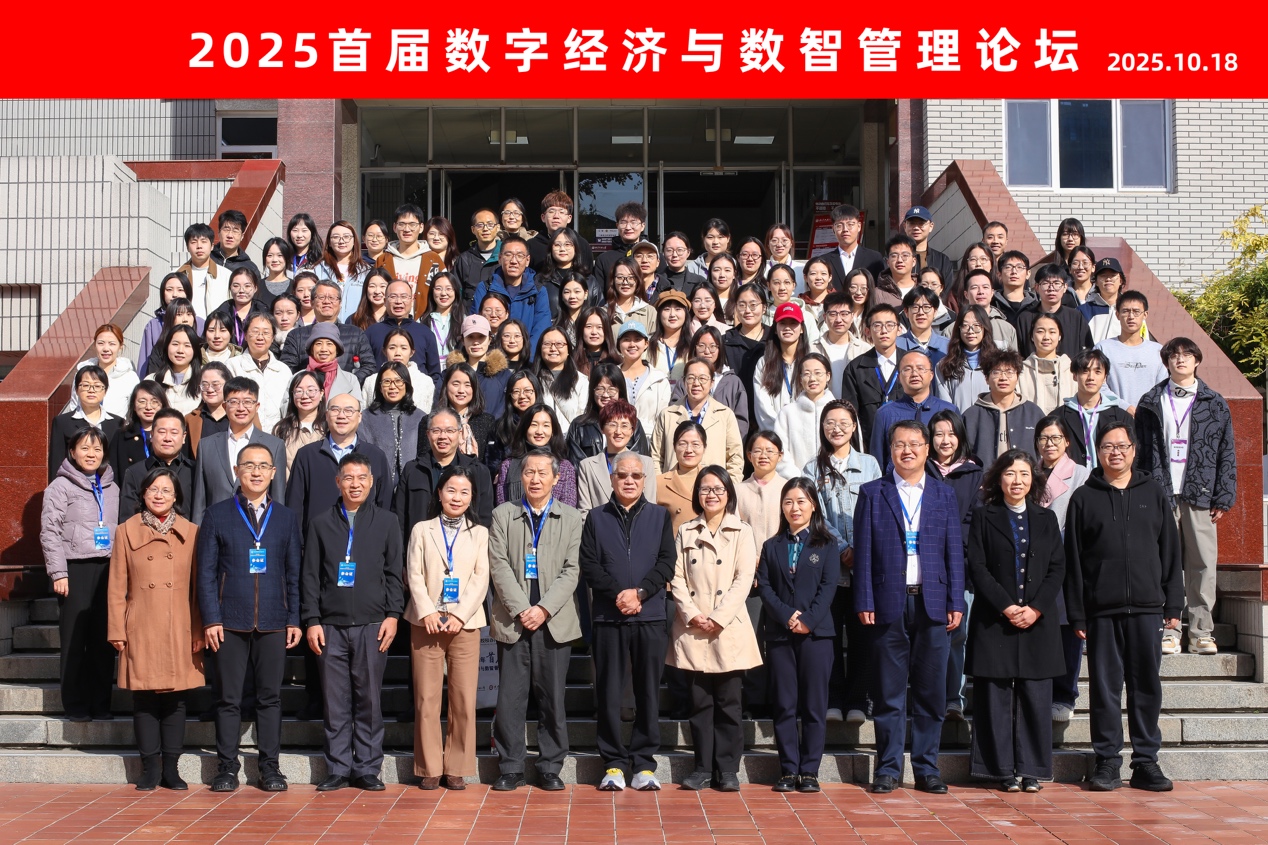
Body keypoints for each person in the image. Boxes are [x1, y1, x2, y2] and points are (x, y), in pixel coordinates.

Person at [1064, 422, 1183, 792]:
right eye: (1107, 446)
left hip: (1147, 608)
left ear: (1134, 450)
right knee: (1105, 689)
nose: (1115, 452)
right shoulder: (1084, 498)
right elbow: (1074, 561)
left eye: (1122, 446)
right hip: (1102, 610)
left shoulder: (1154, 492)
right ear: (1097, 452)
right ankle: (1107, 762)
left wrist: (1174, 603)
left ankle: (1146, 761)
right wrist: (1077, 612)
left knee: (1146, 686)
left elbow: (1171, 550)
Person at [854, 420, 966, 794]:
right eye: (900, 444)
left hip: (933, 602)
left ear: (927, 449)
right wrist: (864, 598)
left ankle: (926, 768)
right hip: (889, 601)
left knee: (931, 692)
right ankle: (887, 769)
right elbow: (863, 551)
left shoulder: (943, 494)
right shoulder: (873, 493)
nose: (907, 450)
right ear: (891, 450)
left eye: (915, 444)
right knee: (888, 693)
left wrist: (956, 599)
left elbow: (954, 551)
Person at [196, 443, 302, 793]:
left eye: (263, 466)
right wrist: (211, 618)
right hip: (228, 621)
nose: (256, 472)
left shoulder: (286, 517)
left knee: (270, 698)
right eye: (249, 465)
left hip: (274, 619)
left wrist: (294, 618)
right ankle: (227, 767)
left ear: (274, 473)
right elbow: (206, 573)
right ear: (236, 471)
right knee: (228, 698)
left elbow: (293, 573)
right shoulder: (217, 515)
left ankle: (270, 768)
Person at [965, 450, 1066, 792]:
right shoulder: (984, 516)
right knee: (994, 698)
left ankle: (1031, 770)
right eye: (1010, 474)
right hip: (995, 620)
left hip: (1038, 621)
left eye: (1024, 474)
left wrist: (1036, 608)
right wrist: (1006, 606)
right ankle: (999, 770)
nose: (1017, 481)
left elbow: (1057, 568)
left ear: (1033, 479)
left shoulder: (1046, 519)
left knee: (1036, 698)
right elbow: (977, 566)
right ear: (999, 479)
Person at [303, 453, 404, 792]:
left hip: (373, 624)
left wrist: (393, 615)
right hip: (330, 626)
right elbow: (310, 577)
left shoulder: (387, 522)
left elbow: (394, 574)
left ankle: (367, 767)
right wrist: (312, 620)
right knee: (335, 701)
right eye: (348, 477)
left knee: (369, 700)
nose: (355, 484)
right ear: (338, 482)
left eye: (362, 477)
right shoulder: (320, 523)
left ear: (372, 481)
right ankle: (338, 767)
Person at [488, 450, 584, 792]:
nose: (536, 479)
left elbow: (572, 570)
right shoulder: (503, 514)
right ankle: (511, 766)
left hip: (554, 621)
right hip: (513, 621)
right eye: (529, 472)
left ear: (556, 478)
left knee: (552, 698)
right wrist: (521, 608)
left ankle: (550, 766)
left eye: (543, 473)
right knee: (510, 699)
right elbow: (498, 565)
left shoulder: (571, 518)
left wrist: (543, 609)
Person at [1135, 337, 1237, 656]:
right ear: (1166, 362)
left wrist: (1223, 496)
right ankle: (1169, 629)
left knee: (1202, 563)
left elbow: (1226, 451)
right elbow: (1140, 452)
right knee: (1164, 562)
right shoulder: (1151, 401)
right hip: (1161, 493)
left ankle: (1201, 632)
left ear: (1197, 360)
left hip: (1200, 492)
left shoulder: (1214, 402)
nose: (1180, 359)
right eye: (1174, 355)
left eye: (1187, 354)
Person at [580, 451, 676, 791]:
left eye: (636, 475)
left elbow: (667, 562)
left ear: (645, 480)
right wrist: (619, 594)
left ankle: (644, 765)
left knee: (648, 691)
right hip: (609, 617)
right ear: (612, 479)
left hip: (650, 616)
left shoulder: (660, 516)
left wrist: (641, 593)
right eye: (622, 475)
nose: (629, 481)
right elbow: (589, 565)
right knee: (608, 692)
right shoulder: (596, 518)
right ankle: (613, 763)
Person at [107, 467, 203, 791]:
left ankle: (171, 769)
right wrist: (117, 629)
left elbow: (198, 589)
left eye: (166, 490)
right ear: (143, 494)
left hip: (179, 624)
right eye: (153, 489)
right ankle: (149, 768)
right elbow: (116, 586)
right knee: (144, 698)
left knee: (176, 700)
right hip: (142, 623)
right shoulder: (126, 531)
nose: (159, 495)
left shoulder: (191, 532)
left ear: (176, 496)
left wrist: (198, 630)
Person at [670, 466, 760, 792]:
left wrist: (718, 617)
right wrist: (693, 614)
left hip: (728, 627)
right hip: (693, 628)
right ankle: (702, 768)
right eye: (705, 489)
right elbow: (677, 578)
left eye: (718, 489)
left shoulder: (742, 531)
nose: (711, 495)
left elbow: (743, 579)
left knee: (729, 703)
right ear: (697, 494)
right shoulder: (686, 531)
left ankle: (728, 769)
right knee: (700, 704)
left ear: (728, 493)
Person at [405, 465, 490, 790]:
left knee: (463, 698)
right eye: (451, 490)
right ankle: (429, 767)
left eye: (464, 492)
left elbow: (481, 578)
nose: (457, 497)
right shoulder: (422, 529)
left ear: (472, 497)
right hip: (425, 622)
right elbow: (413, 573)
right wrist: (427, 610)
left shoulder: (479, 533)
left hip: (465, 624)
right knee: (427, 698)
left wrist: (460, 615)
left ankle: (456, 766)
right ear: (439, 493)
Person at [757, 477, 841, 793]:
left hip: (816, 636)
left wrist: (807, 620)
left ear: (813, 505)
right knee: (784, 704)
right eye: (788, 501)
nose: (795, 508)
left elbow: (828, 587)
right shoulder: (772, 546)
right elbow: (765, 587)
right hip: (780, 635)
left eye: (801, 501)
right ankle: (788, 769)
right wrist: (786, 615)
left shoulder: (826, 544)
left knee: (814, 706)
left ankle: (809, 771)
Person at [802, 402, 881, 725]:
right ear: (822, 428)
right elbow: (814, 514)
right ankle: (833, 699)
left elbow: (877, 508)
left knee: (863, 635)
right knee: (830, 635)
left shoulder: (870, 464)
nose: (836, 428)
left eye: (843, 422)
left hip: (864, 566)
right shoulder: (812, 468)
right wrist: (843, 547)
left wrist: (860, 549)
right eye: (830, 423)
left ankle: (859, 700)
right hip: (829, 566)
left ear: (854, 426)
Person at [41, 427, 119, 722]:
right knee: (75, 640)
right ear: (72, 452)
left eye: (97, 449)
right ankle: (75, 704)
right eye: (84, 448)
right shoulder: (59, 487)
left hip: (107, 568)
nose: (91, 454)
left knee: (102, 640)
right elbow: (49, 531)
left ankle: (101, 703)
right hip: (74, 568)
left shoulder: (112, 486)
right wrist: (58, 572)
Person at [926, 409, 984, 721]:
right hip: (925, 566)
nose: (945, 440)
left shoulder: (974, 474)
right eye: (938, 434)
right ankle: (929, 697)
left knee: (958, 634)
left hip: (961, 568)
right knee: (929, 635)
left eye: (951, 433)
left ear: (960, 436)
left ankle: (953, 699)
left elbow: (974, 522)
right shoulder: (921, 470)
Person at [1034, 416, 1090, 723]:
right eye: (1044, 438)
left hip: (1067, 561)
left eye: (1056, 438)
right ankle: (1041, 692)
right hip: (1034, 564)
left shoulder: (1081, 474)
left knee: (1068, 630)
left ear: (1067, 441)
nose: (1049, 444)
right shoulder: (1030, 471)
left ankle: (1065, 694)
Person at [288, 394, 393, 541]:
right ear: (326, 415)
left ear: (359, 417)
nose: (341, 416)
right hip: (317, 543)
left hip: (364, 542)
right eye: (335, 410)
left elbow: (385, 503)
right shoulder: (307, 455)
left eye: (349, 410)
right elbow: (295, 504)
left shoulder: (375, 455)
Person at [190, 377, 288, 524]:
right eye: (234, 402)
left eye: (248, 402)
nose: (241, 408)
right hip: (216, 528)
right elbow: (199, 500)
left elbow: (278, 498)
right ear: (224, 406)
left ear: (257, 406)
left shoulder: (274, 445)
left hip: (258, 529)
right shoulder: (206, 445)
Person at [396, 409, 496, 539]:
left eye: (450, 431)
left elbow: (485, 519)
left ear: (459, 433)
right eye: (436, 431)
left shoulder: (477, 471)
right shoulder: (413, 470)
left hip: (464, 547)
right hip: (420, 546)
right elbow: (399, 518)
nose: (443, 436)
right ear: (428, 434)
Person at [652, 358, 743, 482]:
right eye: (691, 378)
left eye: (702, 378)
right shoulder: (667, 415)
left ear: (712, 383)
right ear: (684, 381)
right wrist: (659, 485)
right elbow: (656, 457)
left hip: (712, 489)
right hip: (673, 486)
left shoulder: (725, 415)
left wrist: (729, 487)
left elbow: (735, 457)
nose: (696, 383)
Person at [868, 350, 958, 463]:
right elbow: (877, 461)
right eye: (907, 369)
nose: (914, 374)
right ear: (899, 377)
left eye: (921, 368)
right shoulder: (885, 413)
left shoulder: (949, 410)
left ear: (931, 375)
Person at [280, 280, 376, 382]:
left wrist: (347, 383)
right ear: (312, 302)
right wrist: (310, 384)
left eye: (332, 298)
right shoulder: (296, 335)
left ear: (340, 303)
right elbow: (287, 369)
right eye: (321, 297)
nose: (326, 301)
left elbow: (369, 366)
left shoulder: (355, 334)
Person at [575, 400, 658, 517]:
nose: (618, 432)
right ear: (602, 428)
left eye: (624, 426)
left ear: (632, 431)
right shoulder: (587, 466)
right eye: (612, 425)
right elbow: (584, 512)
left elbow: (650, 508)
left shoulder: (646, 463)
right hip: (599, 528)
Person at [963, 350, 1045, 467]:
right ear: (986, 378)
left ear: (1017, 377)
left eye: (1009, 372)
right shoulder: (971, 415)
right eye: (996, 372)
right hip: (984, 478)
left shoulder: (1033, 413)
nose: (1003, 378)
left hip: (1025, 477)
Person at [472, 235, 553, 353]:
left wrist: (526, 358)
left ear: (527, 260)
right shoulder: (485, 288)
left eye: (520, 256)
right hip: (492, 357)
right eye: (508, 255)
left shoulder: (538, 291)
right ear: (500, 258)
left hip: (527, 359)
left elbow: (541, 328)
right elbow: (477, 326)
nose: (514, 261)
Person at [840, 304, 905, 448]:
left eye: (890, 325)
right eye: (877, 325)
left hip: (907, 446)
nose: (884, 331)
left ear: (899, 329)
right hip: (870, 446)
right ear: (867, 331)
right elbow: (850, 415)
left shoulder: (911, 364)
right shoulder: (855, 369)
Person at [668, 326, 751, 439]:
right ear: (694, 348)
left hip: (721, 444)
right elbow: (674, 413)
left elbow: (741, 422)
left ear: (720, 349)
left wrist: (731, 444)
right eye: (701, 346)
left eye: (713, 346)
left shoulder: (733, 382)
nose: (707, 351)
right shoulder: (685, 381)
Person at [1057, 349, 1132, 469]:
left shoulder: (1121, 417)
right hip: (1071, 479)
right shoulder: (1058, 417)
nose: (1091, 377)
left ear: (1105, 377)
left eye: (1097, 372)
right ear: (1075, 376)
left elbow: (1132, 456)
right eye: (1085, 371)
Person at [360, 361, 427, 493]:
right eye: (387, 382)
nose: (392, 386)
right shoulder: (366, 418)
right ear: (380, 387)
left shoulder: (420, 417)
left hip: (413, 488)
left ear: (406, 385)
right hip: (376, 488)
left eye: (398, 381)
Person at [565, 362, 651, 464]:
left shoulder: (633, 423)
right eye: (600, 389)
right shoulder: (579, 425)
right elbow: (575, 463)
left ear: (620, 391)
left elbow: (640, 459)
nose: (605, 395)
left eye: (611, 390)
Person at [1095, 291, 1168, 412]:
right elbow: (1098, 385)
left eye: (1136, 311)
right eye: (1125, 311)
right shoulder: (1103, 348)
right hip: (1113, 415)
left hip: (1149, 416)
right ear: (1117, 314)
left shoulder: (1158, 351)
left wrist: (1144, 410)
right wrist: (1124, 406)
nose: (1131, 317)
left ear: (1145, 315)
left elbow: (1162, 387)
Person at [494, 404, 578, 507]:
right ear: (525, 429)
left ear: (553, 431)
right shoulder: (508, 465)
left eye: (546, 425)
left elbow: (568, 508)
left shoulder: (565, 467)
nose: (539, 431)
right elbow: (502, 508)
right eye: (534, 425)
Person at [49, 365, 123, 482]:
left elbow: (120, 463)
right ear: (76, 390)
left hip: (109, 487)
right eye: (85, 385)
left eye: (97, 386)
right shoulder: (62, 422)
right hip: (73, 486)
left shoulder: (118, 423)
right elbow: (56, 463)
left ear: (105, 391)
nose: (91, 390)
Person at [119, 408, 194, 521]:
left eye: (174, 433)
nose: (167, 438)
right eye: (162, 432)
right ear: (152, 435)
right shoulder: (135, 472)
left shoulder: (195, 471)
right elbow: (128, 518)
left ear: (183, 437)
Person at [365, 280, 442, 383]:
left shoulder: (425, 333)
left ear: (412, 300)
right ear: (385, 301)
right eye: (393, 296)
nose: (398, 301)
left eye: (404, 296)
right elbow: (365, 369)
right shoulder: (371, 332)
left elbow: (435, 375)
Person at [773, 352, 836, 478]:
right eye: (807, 374)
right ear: (800, 379)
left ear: (828, 376)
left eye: (818, 373)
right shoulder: (787, 413)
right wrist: (798, 480)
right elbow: (780, 451)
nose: (812, 378)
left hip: (835, 481)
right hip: (797, 484)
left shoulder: (840, 411)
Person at [227, 312, 291, 435]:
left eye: (266, 333)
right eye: (255, 332)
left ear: (273, 337)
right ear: (245, 335)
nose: (260, 337)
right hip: (242, 435)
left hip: (277, 437)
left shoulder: (283, 370)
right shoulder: (232, 366)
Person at [752, 303, 810, 432]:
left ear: (802, 329)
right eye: (783, 323)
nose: (788, 328)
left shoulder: (811, 362)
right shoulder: (764, 363)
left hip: (805, 433)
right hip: (774, 436)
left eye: (793, 323)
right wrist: (780, 431)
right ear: (775, 329)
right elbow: (762, 406)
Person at [1016, 265, 1094, 359]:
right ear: (1036, 287)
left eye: (1057, 283)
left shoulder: (1075, 317)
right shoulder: (1025, 318)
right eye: (1045, 283)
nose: (1051, 288)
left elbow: (1087, 351)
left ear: (1065, 287)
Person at [375, 203, 444, 306]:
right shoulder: (382, 260)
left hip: (424, 316)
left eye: (412, 224)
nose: (407, 229)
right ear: (394, 227)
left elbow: (444, 290)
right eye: (402, 224)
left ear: (421, 227)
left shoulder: (433, 260)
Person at [137, 273, 205, 376]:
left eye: (180, 290)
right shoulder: (153, 325)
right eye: (169, 290)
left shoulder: (199, 323)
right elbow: (145, 361)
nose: (175, 294)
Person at [447, 314, 512, 420]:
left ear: (490, 339)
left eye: (481, 336)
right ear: (463, 340)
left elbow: (505, 409)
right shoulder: (449, 374)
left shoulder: (504, 375)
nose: (476, 342)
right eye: (470, 337)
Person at [613, 321, 670, 437]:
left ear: (646, 344)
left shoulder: (659, 379)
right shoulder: (611, 376)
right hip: (616, 437)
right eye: (626, 340)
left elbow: (663, 418)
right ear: (619, 344)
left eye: (637, 339)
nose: (632, 344)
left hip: (649, 439)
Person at [313, 221, 373, 322]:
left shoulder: (366, 271)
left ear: (354, 241)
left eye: (346, 236)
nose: (341, 241)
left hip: (357, 326)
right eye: (336, 237)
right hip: (326, 326)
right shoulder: (317, 269)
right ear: (329, 242)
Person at [109, 382, 169, 481]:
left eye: (154, 402)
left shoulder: (171, 436)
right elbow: (113, 473)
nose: (148, 407)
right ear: (134, 406)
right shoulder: (121, 436)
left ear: (162, 405)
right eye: (142, 401)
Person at [813, 292, 871, 394]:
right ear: (825, 317)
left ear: (852, 316)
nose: (838, 320)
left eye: (844, 314)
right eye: (833, 314)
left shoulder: (864, 350)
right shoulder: (813, 349)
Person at [1018, 314, 1076, 414]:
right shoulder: (1021, 371)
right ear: (1032, 336)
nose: (1046, 337)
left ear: (1059, 336)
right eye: (1040, 331)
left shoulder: (1071, 370)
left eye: (1052, 332)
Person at [534, 327, 589, 430]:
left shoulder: (580, 381)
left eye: (559, 344)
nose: (553, 348)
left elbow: (583, 416)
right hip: (540, 436)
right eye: (547, 344)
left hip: (570, 437)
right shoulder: (532, 380)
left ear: (568, 349)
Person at [953, 269, 1019, 352]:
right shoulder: (952, 330)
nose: (981, 292)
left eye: (985, 287)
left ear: (992, 292)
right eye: (974, 287)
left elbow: (1013, 359)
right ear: (966, 294)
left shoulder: (1007, 329)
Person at [274, 371, 328, 472]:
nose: (305, 396)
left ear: (321, 393)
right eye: (299, 391)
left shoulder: (329, 427)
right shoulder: (281, 429)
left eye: (311, 390)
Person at [146, 325, 203, 416]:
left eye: (187, 345)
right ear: (167, 346)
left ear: (195, 350)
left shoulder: (204, 381)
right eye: (175, 344)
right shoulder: (152, 380)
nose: (180, 350)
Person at [823, 204, 885, 289]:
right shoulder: (824, 261)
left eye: (850, 224)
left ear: (859, 226)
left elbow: (880, 289)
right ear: (833, 228)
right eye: (839, 225)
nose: (845, 229)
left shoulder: (874, 258)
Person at [452, 209, 502, 310]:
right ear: (473, 229)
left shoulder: (506, 256)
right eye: (480, 225)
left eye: (490, 224)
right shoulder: (464, 259)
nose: (485, 229)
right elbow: (455, 292)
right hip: (470, 316)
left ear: (498, 228)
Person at [595, 201, 654, 285]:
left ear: (642, 226)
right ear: (617, 226)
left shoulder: (654, 257)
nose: (628, 227)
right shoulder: (604, 259)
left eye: (633, 222)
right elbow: (598, 291)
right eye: (623, 222)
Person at [177, 222, 226, 319]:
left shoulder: (226, 276)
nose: (199, 246)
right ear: (187, 247)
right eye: (194, 242)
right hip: (184, 326)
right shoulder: (176, 275)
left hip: (215, 327)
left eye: (204, 241)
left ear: (212, 246)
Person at [304, 323, 362, 400]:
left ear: (337, 349)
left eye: (329, 344)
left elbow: (357, 405)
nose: (324, 349)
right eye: (318, 344)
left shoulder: (351, 380)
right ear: (312, 349)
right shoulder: (298, 378)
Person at [896, 286, 950, 368]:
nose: (921, 312)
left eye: (926, 307)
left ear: (935, 312)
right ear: (906, 312)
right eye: (915, 307)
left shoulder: (948, 346)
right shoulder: (895, 346)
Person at [647, 289, 692, 386]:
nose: (672, 314)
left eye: (678, 309)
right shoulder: (647, 343)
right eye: (667, 309)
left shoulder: (693, 345)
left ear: (686, 314)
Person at [903, 206, 954, 283]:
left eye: (921, 223)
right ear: (905, 226)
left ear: (931, 226)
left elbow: (947, 287)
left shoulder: (942, 261)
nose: (916, 228)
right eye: (912, 223)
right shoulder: (894, 259)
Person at [1082, 257, 1126, 344]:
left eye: (1112, 275)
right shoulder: (1084, 311)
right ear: (1096, 282)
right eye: (1103, 275)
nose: (1108, 279)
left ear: (1121, 280)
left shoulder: (1130, 310)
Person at [422, 271, 464, 360]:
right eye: (438, 289)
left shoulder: (464, 320)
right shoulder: (422, 321)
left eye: (448, 289)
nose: (443, 293)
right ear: (432, 291)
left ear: (455, 291)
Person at [211, 209, 262, 279]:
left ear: (242, 236)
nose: (230, 235)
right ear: (219, 233)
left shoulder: (250, 269)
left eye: (235, 231)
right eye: (226, 229)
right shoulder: (207, 257)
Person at [994, 251, 1039, 329]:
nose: (1014, 272)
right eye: (1008, 267)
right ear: (999, 275)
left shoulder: (1037, 307)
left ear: (1028, 274)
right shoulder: (991, 305)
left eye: (1019, 267)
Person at [260, 237, 295, 301]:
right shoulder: (257, 286)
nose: (274, 260)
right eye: (270, 255)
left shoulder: (295, 286)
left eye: (280, 255)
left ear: (287, 258)